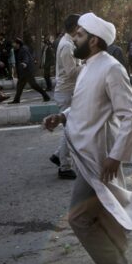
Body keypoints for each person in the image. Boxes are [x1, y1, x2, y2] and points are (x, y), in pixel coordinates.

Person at [43, 12, 132, 264]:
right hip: (85, 154)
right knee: (104, 217)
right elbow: (84, 106)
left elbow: (131, 114)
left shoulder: (111, 68)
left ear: (92, 40)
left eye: (78, 35)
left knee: (78, 219)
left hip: (100, 160)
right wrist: (63, 117)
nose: (73, 38)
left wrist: (116, 156)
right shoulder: (89, 65)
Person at [50, 14, 82, 180]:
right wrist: (89, 65)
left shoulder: (69, 43)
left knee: (71, 128)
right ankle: (64, 166)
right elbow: (71, 72)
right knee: (71, 130)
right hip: (66, 92)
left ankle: (58, 155)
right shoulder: (66, 46)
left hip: (67, 91)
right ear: (76, 27)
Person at [11, 38, 51, 104]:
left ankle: (46, 96)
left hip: (27, 71)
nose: (13, 44)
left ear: (18, 44)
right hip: (24, 71)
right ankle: (16, 100)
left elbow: (26, 57)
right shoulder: (20, 49)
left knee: (33, 85)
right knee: (20, 85)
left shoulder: (23, 50)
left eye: (14, 43)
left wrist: (24, 63)